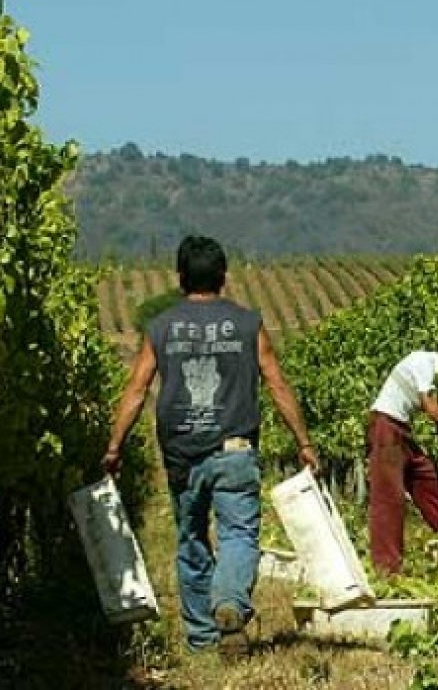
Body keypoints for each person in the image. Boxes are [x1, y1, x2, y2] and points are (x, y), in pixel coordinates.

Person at [102, 236, 319, 656]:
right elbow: (276, 382)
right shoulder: (247, 324)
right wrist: (304, 442)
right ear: (223, 276)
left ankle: (202, 637)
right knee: (239, 533)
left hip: (181, 452)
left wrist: (114, 446)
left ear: (180, 278)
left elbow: (136, 390)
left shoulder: (161, 327)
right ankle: (230, 604)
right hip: (234, 449)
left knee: (191, 539)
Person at [367, 350, 438, 575]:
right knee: (390, 497)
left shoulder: (430, 379)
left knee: (426, 476)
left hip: (400, 429)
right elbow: (431, 408)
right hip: (385, 427)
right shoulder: (423, 361)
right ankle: (387, 568)